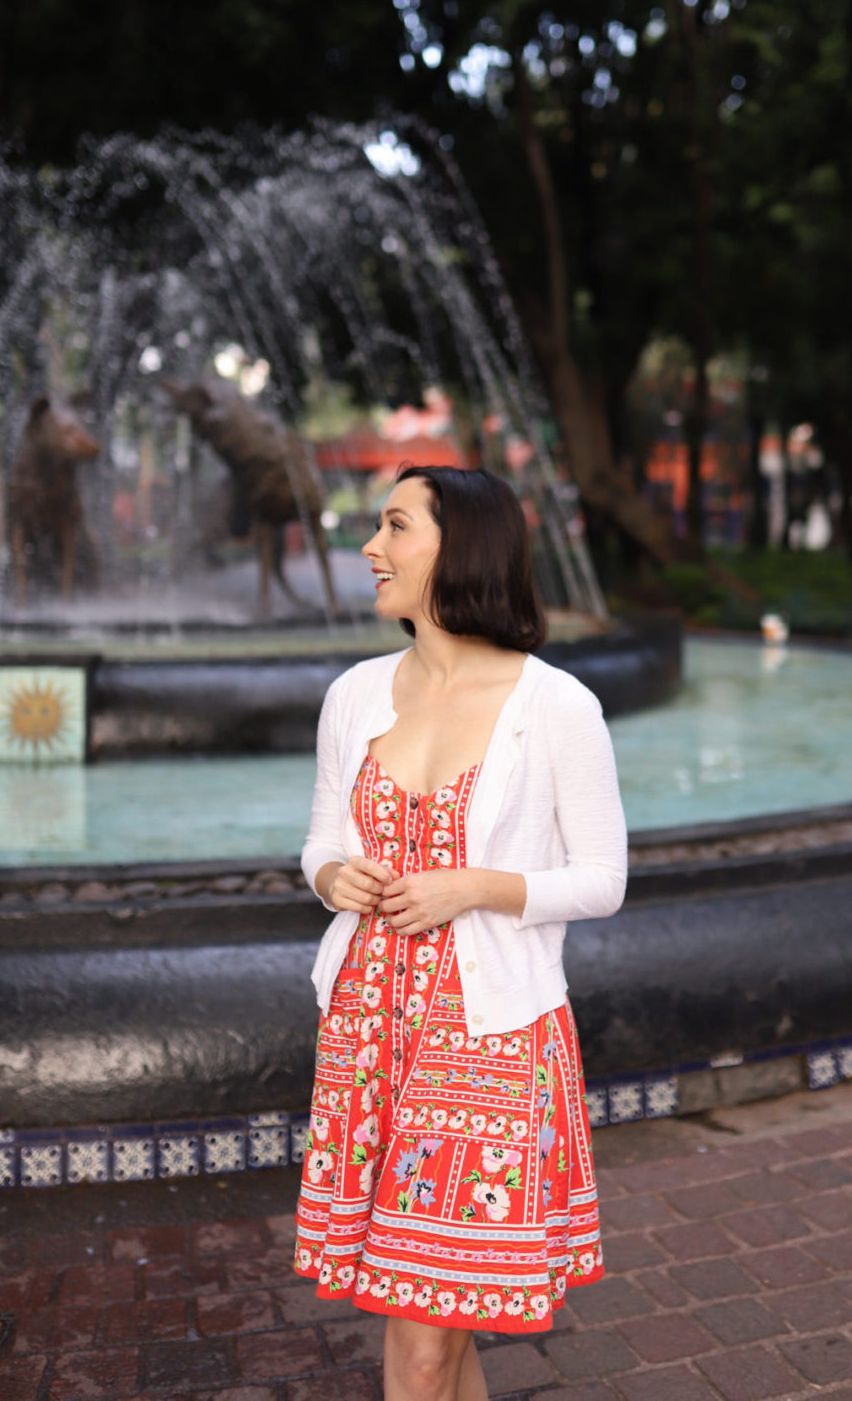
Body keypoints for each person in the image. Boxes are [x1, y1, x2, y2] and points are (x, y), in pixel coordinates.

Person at [293, 464, 628, 1401]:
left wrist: (473, 887)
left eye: (395, 527)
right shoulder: (354, 695)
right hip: (368, 1031)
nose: (371, 548)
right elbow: (320, 842)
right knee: (432, 1306)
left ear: (462, 547)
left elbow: (604, 880)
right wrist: (334, 876)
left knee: (427, 1339)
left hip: (488, 1040)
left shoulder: (557, 706)